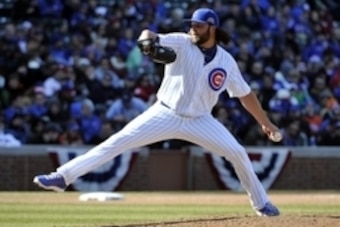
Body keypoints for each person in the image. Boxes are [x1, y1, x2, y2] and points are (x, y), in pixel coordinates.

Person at [33, 8, 281, 217]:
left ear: (212, 28)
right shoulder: (183, 42)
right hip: (165, 113)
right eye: (191, 24)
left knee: (238, 152)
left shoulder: (226, 61)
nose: (193, 28)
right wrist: (146, 42)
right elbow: (149, 34)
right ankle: (62, 177)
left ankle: (261, 204)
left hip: (201, 119)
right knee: (116, 142)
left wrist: (265, 122)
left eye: (198, 25)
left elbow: (245, 94)